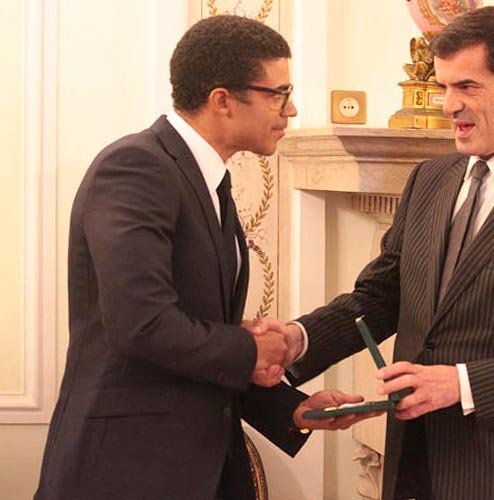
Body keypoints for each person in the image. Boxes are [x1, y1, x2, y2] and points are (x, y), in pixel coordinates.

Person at [259, 6, 494, 500]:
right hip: (414, 468)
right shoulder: (429, 179)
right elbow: (380, 297)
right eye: (443, 86)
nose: (448, 105)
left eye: (467, 87)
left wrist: (462, 384)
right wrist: (299, 338)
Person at [35, 15, 370, 500]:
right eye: (278, 94)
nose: (291, 109)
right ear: (222, 100)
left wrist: (291, 409)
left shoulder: (209, 179)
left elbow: (198, 334)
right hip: (126, 469)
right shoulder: (136, 167)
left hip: (196, 467)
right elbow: (142, 324)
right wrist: (252, 349)